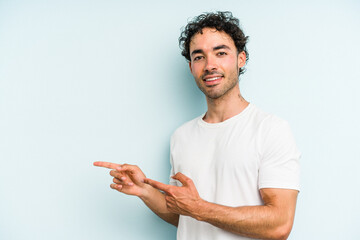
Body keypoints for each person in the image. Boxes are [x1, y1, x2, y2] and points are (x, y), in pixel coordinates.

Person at [94, 11, 300, 240]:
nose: (210, 65)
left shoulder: (270, 129)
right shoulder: (181, 136)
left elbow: (279, 225)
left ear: (241, 59)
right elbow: (184, 215)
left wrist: (199, 208)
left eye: (220, 53)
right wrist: (145, 191)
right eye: (199, 56)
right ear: (191, 66)